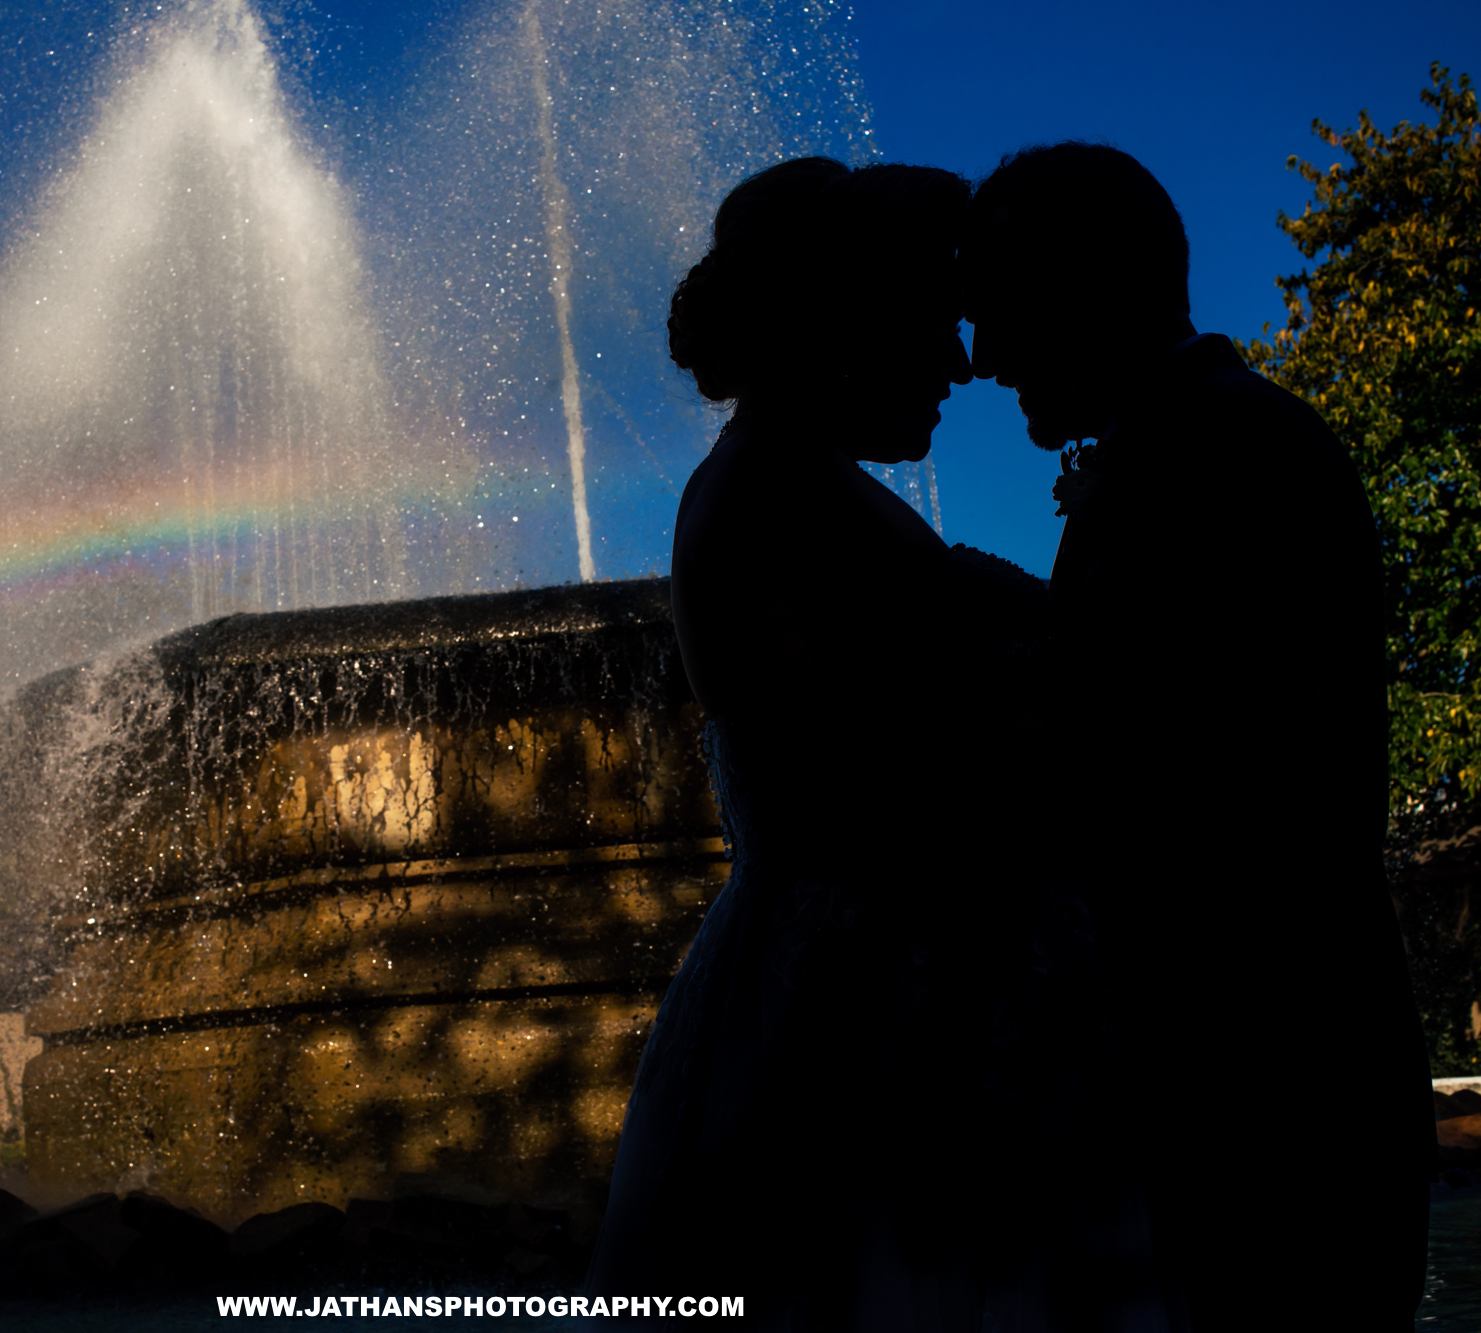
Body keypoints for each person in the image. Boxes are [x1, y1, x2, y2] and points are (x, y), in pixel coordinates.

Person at [588, 157, 1080, 1329]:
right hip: (867, 1011)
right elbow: (939, 756)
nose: (959, 362)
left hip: (831, 983)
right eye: (929, 319)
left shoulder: (775, 485)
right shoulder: (786, 497)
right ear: (846, 322)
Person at [960, 140, 1431, 1331]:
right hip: (1255, 1069)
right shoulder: (1204, 438)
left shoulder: (1224, 448)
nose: (984, 353)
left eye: (1004, 301)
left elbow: (1247, 750)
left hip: (1266, 1084)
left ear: (1105, 271)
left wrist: (1030, 679)